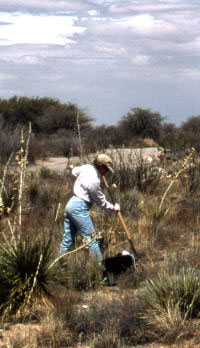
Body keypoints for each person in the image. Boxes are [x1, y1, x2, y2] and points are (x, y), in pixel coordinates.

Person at [60, 154, 120, 261]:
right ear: (101, 166)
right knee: (92, 240)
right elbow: (101, 201)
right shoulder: (94, 181)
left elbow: (74, 171)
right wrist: (113, 208)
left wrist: (81, 179)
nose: (106, 172)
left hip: (71, 204)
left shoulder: (86, 168)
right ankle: (100, 270)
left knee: (67, 240)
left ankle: (60, 266)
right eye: (106, 169)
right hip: (79, 207)